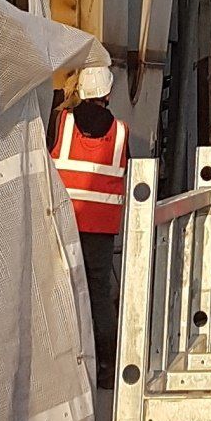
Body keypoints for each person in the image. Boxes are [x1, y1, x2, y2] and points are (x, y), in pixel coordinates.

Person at [51, 63, 128, 381]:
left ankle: (66, 364)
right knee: (98, 291)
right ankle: (106, 367)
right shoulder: (121, 132)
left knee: (62, 288)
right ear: (108, 93)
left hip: (64, 220)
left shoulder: (61, 122)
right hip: (101, 227)